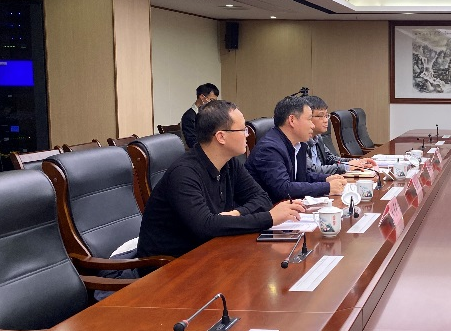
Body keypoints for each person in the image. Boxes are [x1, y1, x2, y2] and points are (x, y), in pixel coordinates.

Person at [137, 100, 304, 259]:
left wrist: (236, 213)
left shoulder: (229, 163)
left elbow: (262, 199)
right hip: (169, 265)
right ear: (221, 137)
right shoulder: (184, 173)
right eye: (242, 130)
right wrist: (269, 218)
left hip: (209, 251)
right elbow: (205, 226)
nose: (247, 135)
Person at [246, 95, 347, 201]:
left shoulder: (299, 144)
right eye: (309, 119)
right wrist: (327, 187)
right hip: (269, 208)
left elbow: (302, 176)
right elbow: (283, 189)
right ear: (292, 120)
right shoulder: (269, 149)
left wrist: (326, 178)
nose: (312, 126)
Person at [306, 95, 377, 175]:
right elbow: (311, 171)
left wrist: (357, 162)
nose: (326, 120)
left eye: (326, 116)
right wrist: (346, 167)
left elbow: (330, 158)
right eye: (321, 116)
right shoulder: (301, 142)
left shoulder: (318, 138)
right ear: (308, 117)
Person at [181, 83, 219, 148]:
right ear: (202, 97)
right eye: (211, 100)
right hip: (197, 150)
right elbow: (192, 142)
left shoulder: (208, 114)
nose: (213, 104)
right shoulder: (189, 116)